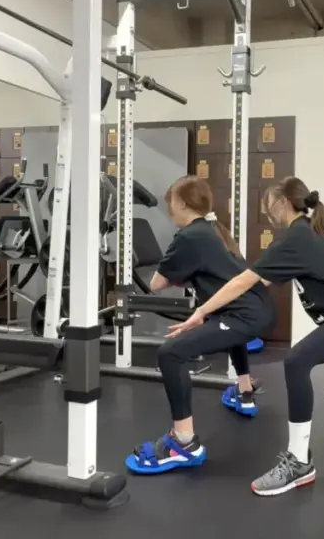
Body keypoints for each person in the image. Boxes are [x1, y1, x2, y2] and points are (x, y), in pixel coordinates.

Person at [168, 176, 324, 496]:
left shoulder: (294, 240)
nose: (266, 213)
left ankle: (299, 463)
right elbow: (259, 283)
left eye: (268, 205)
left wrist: (201, 312)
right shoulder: (311, 230)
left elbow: (245, 283)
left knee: (296, 361)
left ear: (283, 203)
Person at [126, 176, 275, 475]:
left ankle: (183, 443)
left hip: (243, 315)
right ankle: (244, 393)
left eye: (170, 203)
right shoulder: (214, 230)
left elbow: (156, 283)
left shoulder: (188, 236)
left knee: (171, 353)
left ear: (181, 203)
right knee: (224, 327)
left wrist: (181, 271)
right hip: (259, 308)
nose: (169, 210)